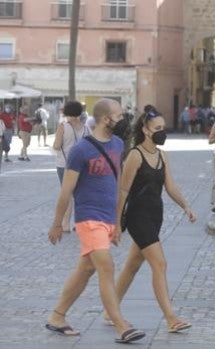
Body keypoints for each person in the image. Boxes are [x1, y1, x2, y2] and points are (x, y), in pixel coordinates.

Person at [46, 98, 145, 344]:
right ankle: (121, 326)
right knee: (106, 267)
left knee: (86, 268)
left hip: (107, 219)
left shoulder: (118, 144)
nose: (123, 120)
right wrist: (58, 223)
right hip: (88, 218)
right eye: (119, 116)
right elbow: (66, 191)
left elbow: (118, 184)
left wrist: (117, 220)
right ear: (105, 119)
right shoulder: (81, 150)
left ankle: (57, 316)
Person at [106, 106, 196, 334]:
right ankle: (170, 318)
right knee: (160, 264)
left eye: (163, 128)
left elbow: (170, 186)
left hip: (156, 215)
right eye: (157, 128)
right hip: (138, 216)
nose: (162, 132)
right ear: (145, 130)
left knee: (132, 265)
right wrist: (117, 224)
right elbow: (123, 192)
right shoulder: (135, 155)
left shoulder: (162, 155)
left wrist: (186, 206)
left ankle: (110, 310)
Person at [53, 101, 91, 233]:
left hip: (64, 164)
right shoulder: (86, 128)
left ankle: (65, 224)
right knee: (80, 194)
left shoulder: (63, 127)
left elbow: (57, 146)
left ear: (67, 112)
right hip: (82, 165)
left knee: (66, 193)